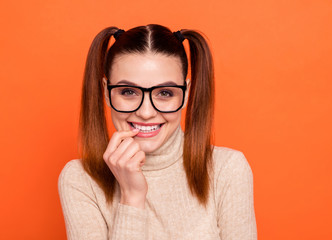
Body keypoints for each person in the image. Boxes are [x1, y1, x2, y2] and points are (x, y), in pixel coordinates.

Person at [58, 24, 257, 240]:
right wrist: (132, 197)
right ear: (107, 93)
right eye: (128, 92)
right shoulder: (79, 180)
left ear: (186, 94)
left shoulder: (227, 170)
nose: (145, 112)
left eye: (164, 93)